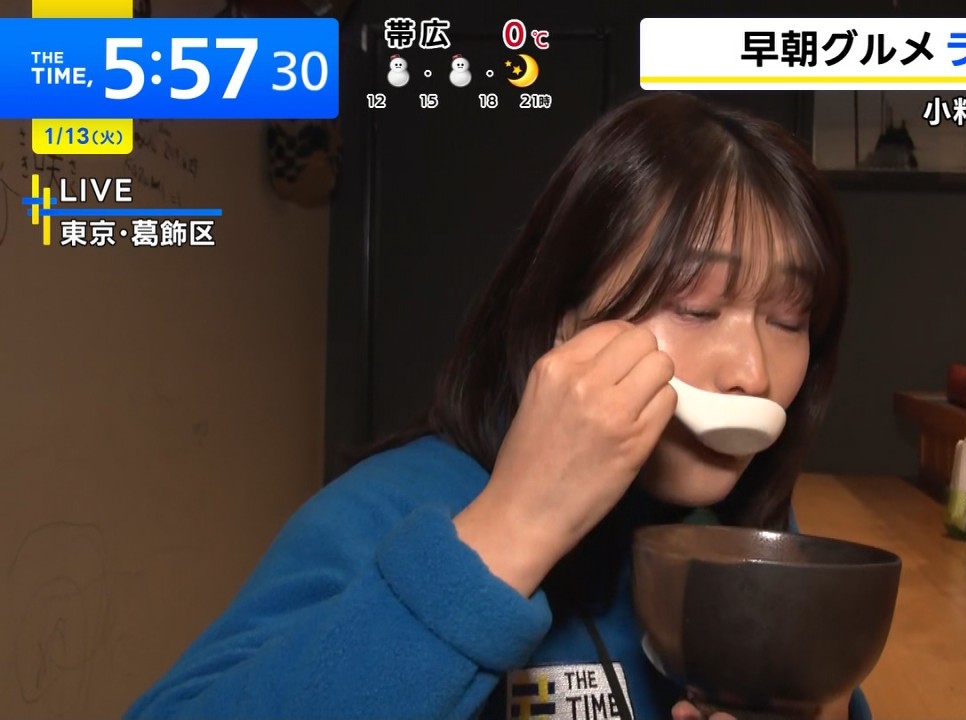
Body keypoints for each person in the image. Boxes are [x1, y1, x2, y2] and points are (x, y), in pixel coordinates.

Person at [124, 91, 869, 720]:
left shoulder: (747, 540)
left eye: (789, 319)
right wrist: (513, 529)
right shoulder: (389, 510)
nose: (751, 371)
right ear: (563, 319)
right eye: (696, 307)